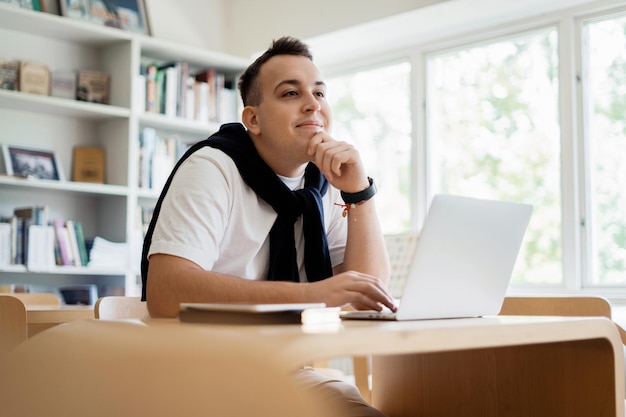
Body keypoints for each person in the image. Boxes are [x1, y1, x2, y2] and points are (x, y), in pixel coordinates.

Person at [141, 36, 396, 417]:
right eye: (291, 93)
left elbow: (367, 289)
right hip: (193, 374)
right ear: (253, 119)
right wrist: (315, 295)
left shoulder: (323, 184)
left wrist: (359, 192)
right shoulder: (213, 168)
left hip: (284, 371)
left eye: (320, 93)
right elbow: (166, 291)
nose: (313, 103)